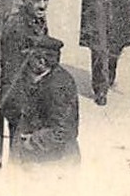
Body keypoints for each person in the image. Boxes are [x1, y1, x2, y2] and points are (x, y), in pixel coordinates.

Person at [8, 36, 80, 165]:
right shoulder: (47, 77)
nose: (25, 64)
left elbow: (62, 132)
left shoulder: (57, 87)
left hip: (52, 163)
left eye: (28, 60)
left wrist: (31, 141)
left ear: (41, 62)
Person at [0, 0, 53, 144]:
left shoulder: (37, 19)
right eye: (38, 1)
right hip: (21, 101)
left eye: (46, 0)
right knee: (20, 149)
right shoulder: (17, 27)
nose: (43, 5)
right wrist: (20, 109)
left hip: (34, 95)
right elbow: (11, 72)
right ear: (26, 1)